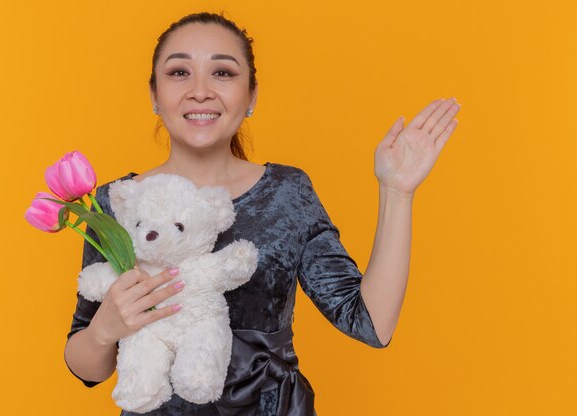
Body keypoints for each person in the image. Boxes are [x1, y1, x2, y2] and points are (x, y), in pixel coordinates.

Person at [63, 11, 461, 416]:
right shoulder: (118, 203)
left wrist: (396, 192)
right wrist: (106, 329)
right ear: (154, 94)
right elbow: (85, 365)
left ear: (251, 96)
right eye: (179, 72)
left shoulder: (287, 193)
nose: (200, 91)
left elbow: (369, 323)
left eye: (222, 73)